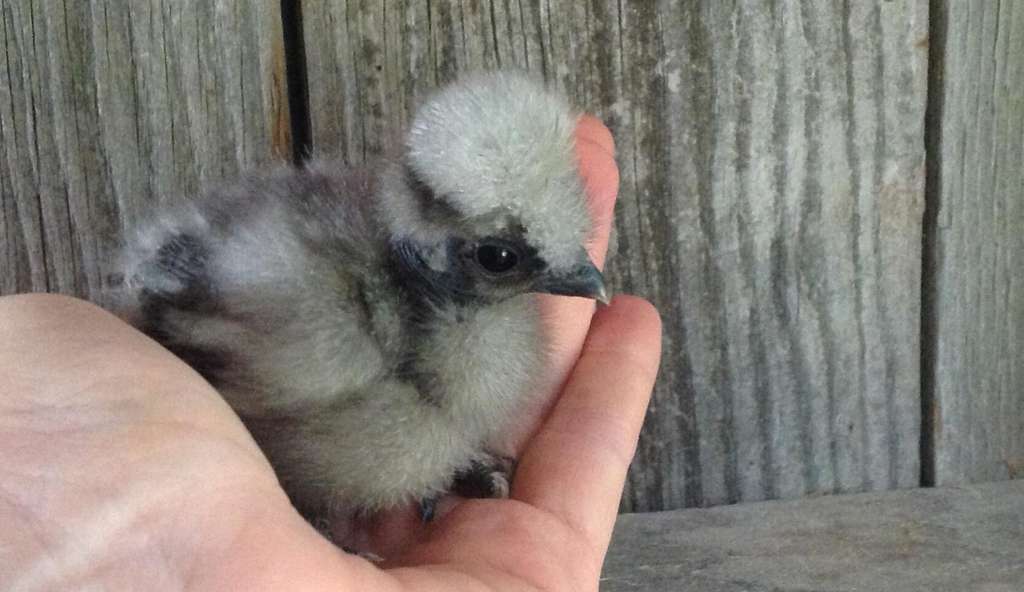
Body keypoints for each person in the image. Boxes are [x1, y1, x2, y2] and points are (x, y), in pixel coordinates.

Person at [0, 118, 661, 591]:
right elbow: (181, 282)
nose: (576, 278)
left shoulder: (478, 324)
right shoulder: (321, 330)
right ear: (431, 249)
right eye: (500, 258)